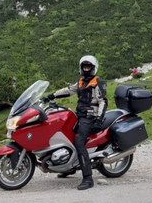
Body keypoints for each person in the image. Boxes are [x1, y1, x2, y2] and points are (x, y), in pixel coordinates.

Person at [42, 55, 108, 190]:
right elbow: (68, 91)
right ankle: (69, 168)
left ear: (94, 68)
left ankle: (88, 178)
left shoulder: (98, 82)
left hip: (90, 117)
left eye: (89, 66)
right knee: (64, 134)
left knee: (78, 140)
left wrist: (99, 119)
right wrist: (51, 96)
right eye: (84, 66)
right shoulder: (81, 81)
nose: (86, 69)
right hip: (80, 115)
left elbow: (103, 101)